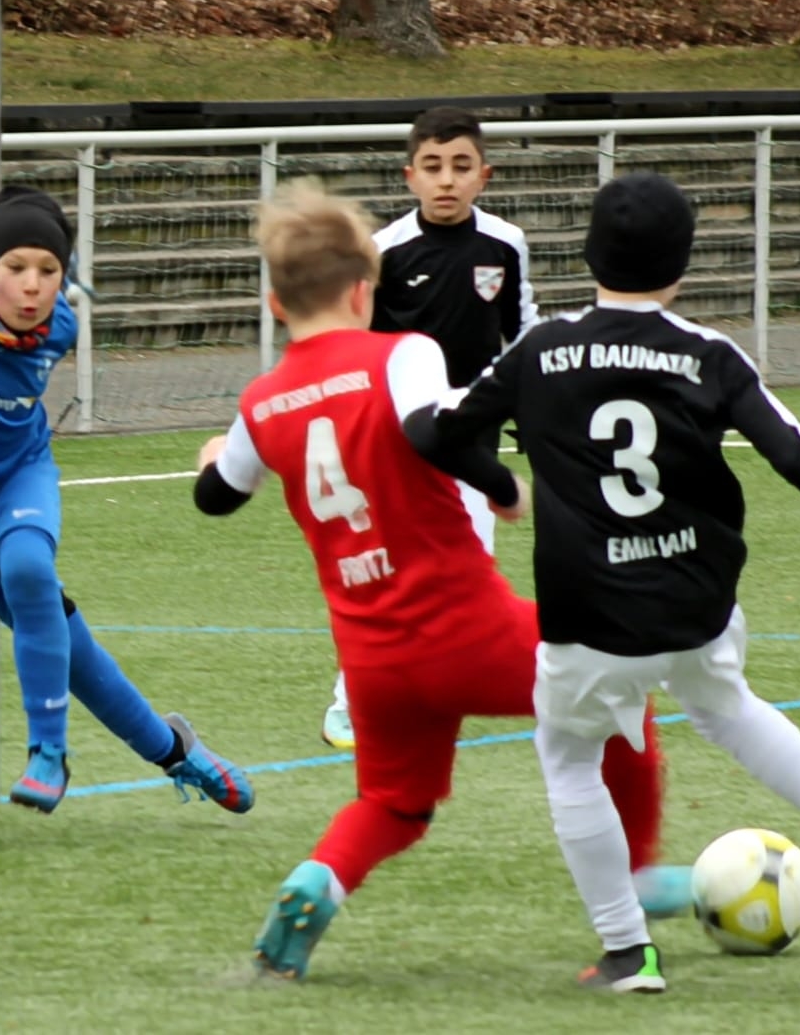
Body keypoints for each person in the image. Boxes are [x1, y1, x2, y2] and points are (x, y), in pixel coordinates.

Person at [404, 171, 800, 993]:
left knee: (567, 755)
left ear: (588, 255)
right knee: (730, 709)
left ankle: (627, 952)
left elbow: (439, 434)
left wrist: (463, 449)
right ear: (683, 265)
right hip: (696, 603)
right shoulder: (708, 355)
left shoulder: (540, 349)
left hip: (589, 617)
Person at [192, 180, 683, 984]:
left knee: (393, 803)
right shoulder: (404, 354)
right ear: (364, 290)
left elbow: (216, 498)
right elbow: (429, 429)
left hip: (373, 660)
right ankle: (638, 877)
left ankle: (316, 881)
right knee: (620, 693)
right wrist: (503, 486)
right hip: (468, 630)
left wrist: (215, 455)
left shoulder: (261, 401)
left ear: (276, 306)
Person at [0, 185, 253, 817]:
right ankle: (175, 750)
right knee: (67, 644)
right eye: (16, 267)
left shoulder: (61, 326)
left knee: (29, 569)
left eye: (49, 270)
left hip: (21, 475)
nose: (32, 285)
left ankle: (48, 754)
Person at [321, 104, 542, 751]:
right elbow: (354, 346)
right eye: (433, 166)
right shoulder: (385, 250)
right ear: (409, 175)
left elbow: (520, 332)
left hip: (472, 432)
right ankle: (349, 702)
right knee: (389, 569)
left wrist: (529, 407)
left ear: (484, 175)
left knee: (471, 568)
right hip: (399, 434)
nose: (447, 180)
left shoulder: (505, 243)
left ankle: (453, 687)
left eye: (461, 166)